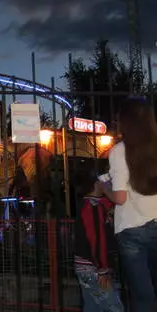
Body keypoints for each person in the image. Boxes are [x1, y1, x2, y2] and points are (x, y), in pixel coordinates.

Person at [101, 98, 157, 311]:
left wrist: (105, 187)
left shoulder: (119, 151)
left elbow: (120, 198)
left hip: (132, 230)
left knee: (143, 297)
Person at [73, 169, 123, 312]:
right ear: (95, 184)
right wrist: (102, 268)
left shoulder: (91, 204)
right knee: (113, 307)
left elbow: (116, 203)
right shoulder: (92, 206)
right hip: (93, 267)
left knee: (92, 307)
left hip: (87, 265)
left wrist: (106, 191)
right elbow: (96, 239)